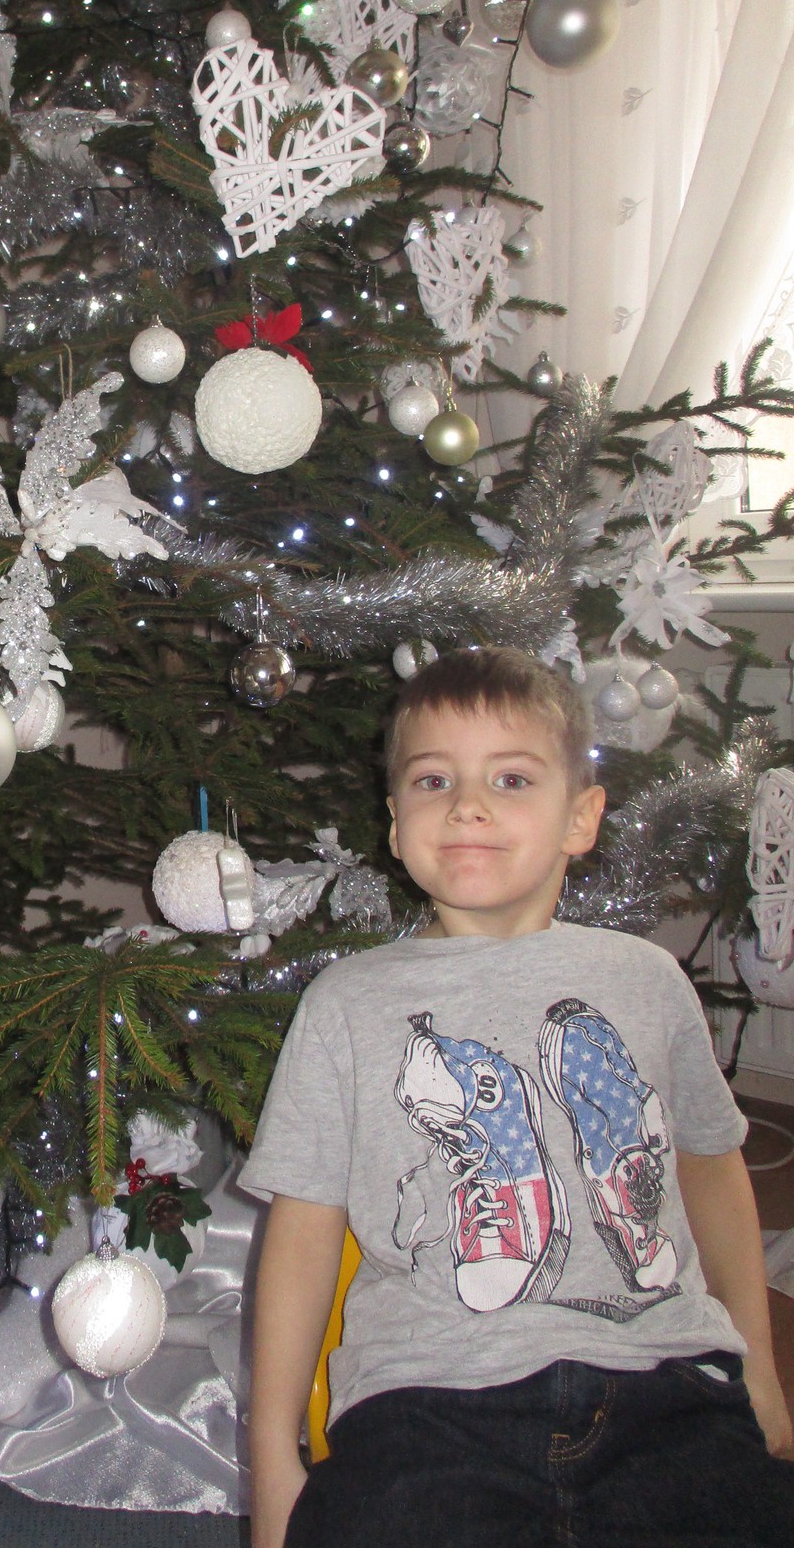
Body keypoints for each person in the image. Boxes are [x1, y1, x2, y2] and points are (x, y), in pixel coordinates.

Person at [243, 646, 794, 1548]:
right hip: (426, 1399)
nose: (468, 805)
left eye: (511, 778)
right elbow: (302, 1231)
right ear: (395, 826)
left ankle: (609, 1165)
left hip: (665, 1380)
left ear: (580, 818)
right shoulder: (345, 1002)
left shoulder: (648, 979)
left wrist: (759, 1368)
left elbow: (710, 1165)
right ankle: (498, 1156)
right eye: (433, 780)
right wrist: (272, 1454)